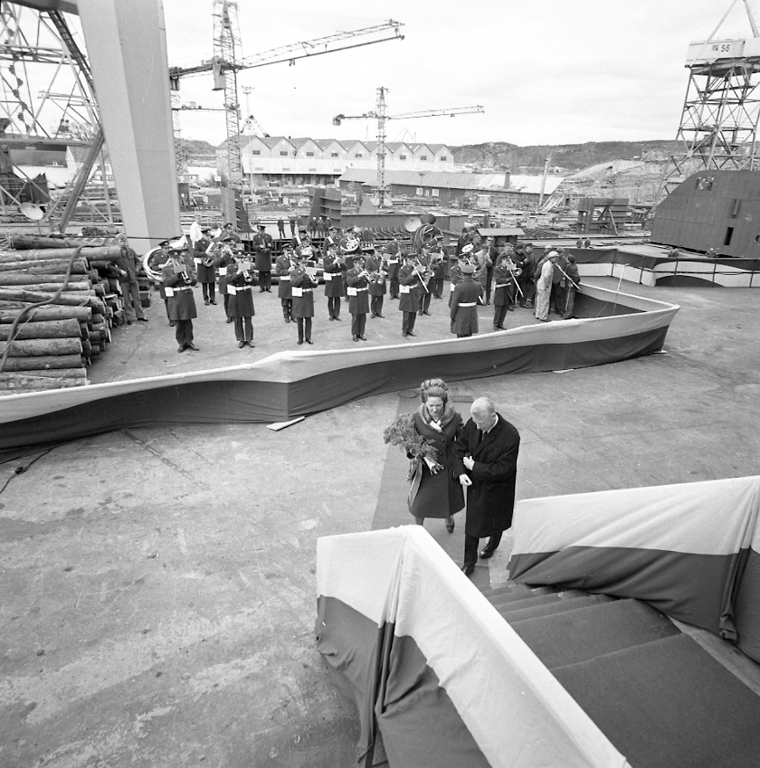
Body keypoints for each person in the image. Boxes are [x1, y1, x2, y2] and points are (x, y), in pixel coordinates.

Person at [454, 397, 520, 576]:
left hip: (498, 488)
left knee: (496, 520)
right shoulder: (474, 423)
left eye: (481, 423)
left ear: (493, 415)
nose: (477, 427)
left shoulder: (510, 435)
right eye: (475, 422)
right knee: (472, 525)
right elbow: (459, 447)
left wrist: (474, 467)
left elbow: (503, 469)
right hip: (477, 486)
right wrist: (461, 472)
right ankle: (469, 562)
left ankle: (492, 545)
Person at [408, 378, 464, 533]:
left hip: (447, 466)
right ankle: (418, 529)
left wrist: (460, 460)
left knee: (447, 500)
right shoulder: (416, 418)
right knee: (420, 504)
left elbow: (462, 442)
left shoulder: (455, 418)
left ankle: (448, 517)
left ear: (444, 403)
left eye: (438, 405)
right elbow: (410, 441)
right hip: (425, 468)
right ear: (424, 402)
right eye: (430, 405)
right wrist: (416, 451)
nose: (434, 409)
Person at [162, 248, 199, 353]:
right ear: (170, 259)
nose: (176, 260)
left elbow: (194, 281)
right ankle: (181, 343)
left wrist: (190, 279)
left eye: (178, 257)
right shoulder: (166, 270)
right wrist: (177, 274)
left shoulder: (187, 267)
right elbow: (167, 282)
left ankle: (189, 341)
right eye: (174, 258)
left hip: (186, 296)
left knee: (188, 321)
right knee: (178, 322)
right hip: (175, 297)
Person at [226, 249, 258, 348]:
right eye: (238, 258)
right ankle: (240, 339)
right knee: (237, 318)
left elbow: (255, 281)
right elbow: (227, 279)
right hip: (236, 294)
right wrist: (238, 272)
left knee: (248, 318)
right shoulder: (230, 267)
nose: (240, 260)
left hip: (246, 294)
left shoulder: (248, 266)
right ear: (235, 258)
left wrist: (249, 276)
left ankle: (249, 338)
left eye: (242, 258)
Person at [114, 234, 147, 324]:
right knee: (126, 299)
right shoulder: (115, 253)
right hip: (123, 279)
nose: (122, 243)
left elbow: (138, 262)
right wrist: (119, 271)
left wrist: (137, 270)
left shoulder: (131, 251)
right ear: (117, 242)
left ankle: (140, 316)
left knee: (137, 298)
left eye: (124, 241)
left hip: (133, 278)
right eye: (120, 241)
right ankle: (130, 318)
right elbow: (109, 265)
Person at [450, 262, 483, 337]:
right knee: (469, 335)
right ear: (472, 274)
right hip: (472, 313)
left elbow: (454, 303)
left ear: (462, 274)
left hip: (461, 313)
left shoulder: (459, 286)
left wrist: (452, 316)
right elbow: (480, 294)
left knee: (461, 336)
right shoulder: (478, 285)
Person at [290, 254, 317, 345]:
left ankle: (308, 337)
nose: (304, 264)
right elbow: (294, 283)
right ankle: (300, 338)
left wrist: (315, 282)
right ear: (298, 263)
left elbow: (314, 284)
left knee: (308, 318)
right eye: (302, 263)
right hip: (299, 297)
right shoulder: (294, 272)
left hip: (308, 296)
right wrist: (304, 275)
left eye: (305, 263)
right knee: (300, 318)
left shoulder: (310, 270)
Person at [345, 254, 369, 342]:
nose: (360, 265)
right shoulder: (350, 272)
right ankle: (355, 334)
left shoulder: (363, 271)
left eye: (361, 264)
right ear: (354, 263)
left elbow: (369, 281)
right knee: (355, 316)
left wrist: (370, 278)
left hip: (363, 295)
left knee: (363, 316)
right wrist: (359, 276)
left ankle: (361, 333)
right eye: (359, 264)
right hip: (355, 296)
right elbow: (350, 282)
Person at [398, 252, 423, 338]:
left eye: (415, 261)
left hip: (415, 292)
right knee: (407, 314)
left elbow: (422, 278)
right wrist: (412, 275)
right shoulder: (402, 269)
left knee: (413, 313)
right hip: (407, 294)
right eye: (412, 261)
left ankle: (410, 329)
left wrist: (422, 272)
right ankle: (405, 330)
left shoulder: (416, 268)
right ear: (408, 260)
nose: (414, 262)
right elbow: (403, 282)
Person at [492, 251, 516, 330]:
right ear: (502, 260)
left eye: (508, 261)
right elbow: (498, 279)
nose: (507, 262)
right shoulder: (497, 269)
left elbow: (515, 274)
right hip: (500, 291)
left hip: (507, 291)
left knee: (505, 308)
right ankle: (496, 324)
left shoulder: (509, 268)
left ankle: (501, 323)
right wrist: (508, 279)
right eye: (506, 261)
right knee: (498, 309)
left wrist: (513, 267)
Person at [193, 227, 216, 306]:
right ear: (203, 235)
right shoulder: (198, 243)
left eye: (209, 236)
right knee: (205, 284)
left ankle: (213, 298)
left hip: (210, 264)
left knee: (212, 282)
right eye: (207, 235)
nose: (208, 237)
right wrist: (206, 254)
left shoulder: (211, 243)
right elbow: (195, 254)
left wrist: (213, 254)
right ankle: (206, 299)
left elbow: (214, 252)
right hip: (203, 265)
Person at [322, 245, 346, 321]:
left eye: (335, 249)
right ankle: (331, 314)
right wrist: (334, 263)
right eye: (333, 249)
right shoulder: (326, 259)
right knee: (330, 298)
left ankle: (336, 314)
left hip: (338, 279)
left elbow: (345, 268)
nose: (335, 250)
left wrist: (341, 262)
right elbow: (327, 269)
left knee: (337, 297)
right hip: (331, 279)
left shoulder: (339, 257)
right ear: (330, 250)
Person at [275, 244, 294, 323]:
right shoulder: (280, 260)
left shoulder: (293, 259)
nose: (289, 252)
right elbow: (278, 272)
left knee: (293, 300)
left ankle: (293, 315)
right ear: (284, 251)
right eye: (287, 250)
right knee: (285, 302)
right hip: (284, 283)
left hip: (292, 282)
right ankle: (286, 315)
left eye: (290, 250)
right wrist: (288, 271)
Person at [535, 251, 556, 322]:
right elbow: (547, 276)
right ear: (552, 258)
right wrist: (547, 285)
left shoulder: (546, 264)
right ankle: (543, 316)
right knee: (545, 301)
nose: (556, 259)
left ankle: (538, 314)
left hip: (540, 284)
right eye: (555, 258)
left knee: (539, 300)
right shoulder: (549, 266)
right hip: (544, 285)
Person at [252, 224, 273, 292]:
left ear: (263, 230)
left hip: (266, 256)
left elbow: (272, 245)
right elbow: (254, 246)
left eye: (261, 230)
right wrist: (259, 247)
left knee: (268, 272)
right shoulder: (255, 237)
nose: (260, 232)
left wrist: (269, 247)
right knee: (261, 272)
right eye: (259, 230)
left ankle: (268, 287)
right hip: (260, 255)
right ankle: (262, 287)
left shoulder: (268, 236)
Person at [366, 249, 386, 319]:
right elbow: (367, 270)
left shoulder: (383, 259)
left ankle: (379, 311)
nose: (380, 253)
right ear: (375, 251)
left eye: (381, 252)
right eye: (378, 252)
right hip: (374, 279)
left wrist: (384, 269)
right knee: (373, 297)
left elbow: (388, 268)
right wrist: (375, 272)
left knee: (380, 296)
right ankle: (373, 312)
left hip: (381, 279)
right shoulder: (370, 259)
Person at [562, 254, 581, 319]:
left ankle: (568, 315)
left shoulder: (571, 267)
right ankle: (568, 314)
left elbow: (577, 278)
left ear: (569, 260)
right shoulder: (573, 266)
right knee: (569, 301)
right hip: (570, 286)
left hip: (570, 287)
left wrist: (572, 283)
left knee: (569, 301)